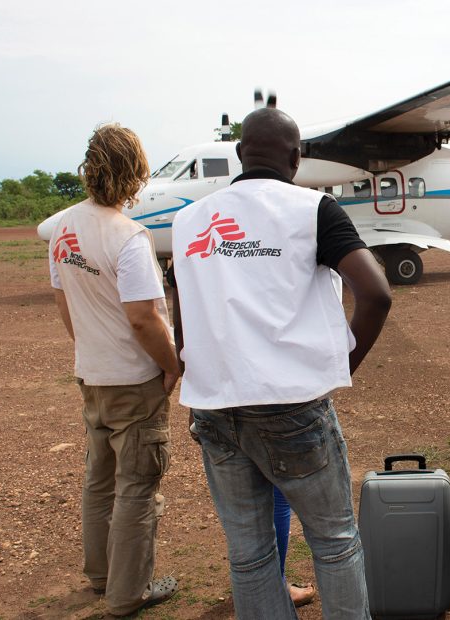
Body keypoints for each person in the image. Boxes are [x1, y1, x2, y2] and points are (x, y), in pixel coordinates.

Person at [171, 106, 392, 619]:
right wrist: (340, 367)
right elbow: (376, 293)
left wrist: (201, 379)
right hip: (293, 408)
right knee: (334, 542)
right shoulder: (314, 209)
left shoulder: (188, 220)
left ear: (239, 154)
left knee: (249, 556)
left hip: (216, 407)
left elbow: (185, 313)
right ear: (296, 158)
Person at [49, 123, 181, 616]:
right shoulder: (129, 237)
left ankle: (103, 575)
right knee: (137, 488)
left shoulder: (62, 228)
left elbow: (64, 302)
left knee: (99, 479)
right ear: (136, 173)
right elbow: (143, 317)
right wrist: (171, 366)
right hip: (133, 381)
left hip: (93, 376)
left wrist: (90, 349)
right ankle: (128, 593)